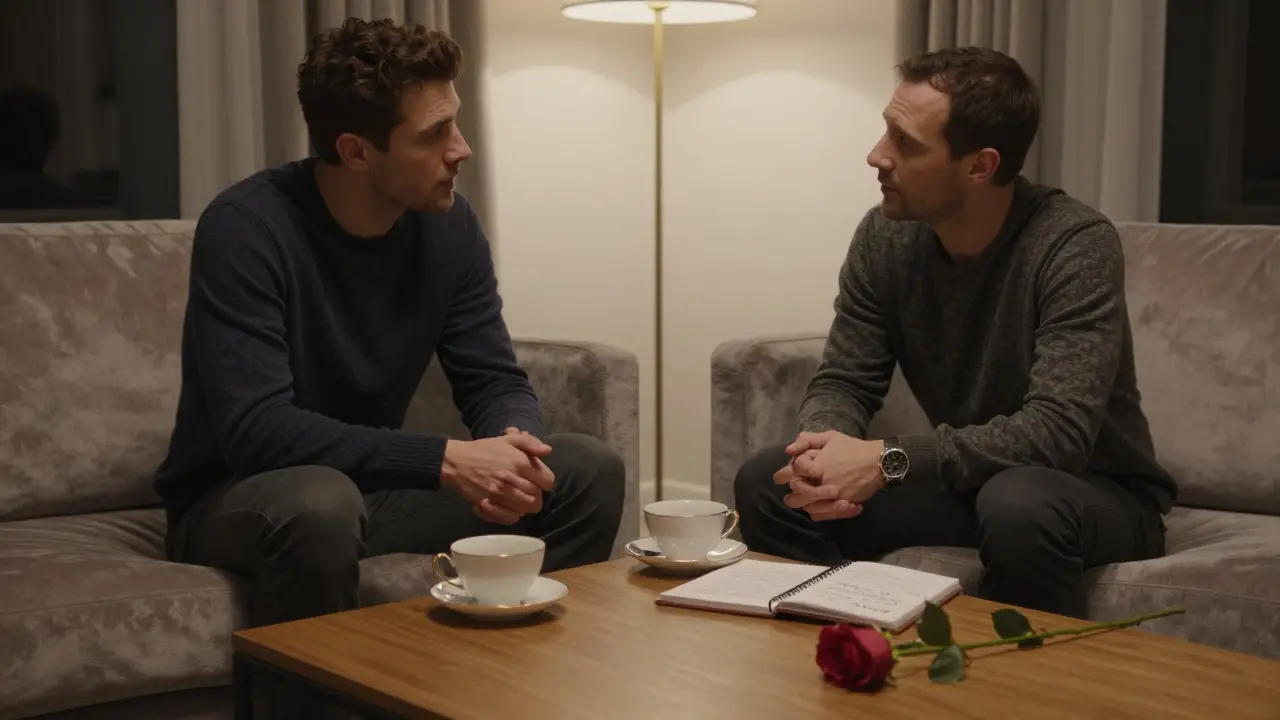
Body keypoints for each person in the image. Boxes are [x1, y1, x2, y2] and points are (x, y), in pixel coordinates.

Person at [155, 17, 625, 639]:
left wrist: (519, 448)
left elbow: (491, 377)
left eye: (454, 123)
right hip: (241, 499)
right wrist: (448, 460)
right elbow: (257, 432)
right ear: (355, 151)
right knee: (321, 503)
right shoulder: (247, 228)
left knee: (586, 469)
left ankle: (524, 689)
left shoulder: (448, 226)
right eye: (434, 135)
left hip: (366, 494)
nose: (461, 149)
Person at [732, 46, 1175, 620]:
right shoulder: (884, 238)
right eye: (885, 132)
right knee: (771, 485)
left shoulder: (1073, 244)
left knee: (1019, 503)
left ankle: (1016, 695)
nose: (876, 156)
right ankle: (835, 658)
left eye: (905, 143)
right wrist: (824, 452)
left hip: (1092, 493)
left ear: (979, 166)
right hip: (972, 486)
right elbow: (846, 376)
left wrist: (886, 461)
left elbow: (1058, 433)